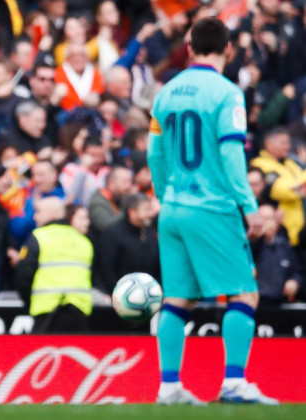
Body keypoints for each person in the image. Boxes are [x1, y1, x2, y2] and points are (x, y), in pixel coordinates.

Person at [147, 18, 278, 405]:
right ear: (229, 50)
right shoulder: (227, 93)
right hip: (213, 207)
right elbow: (230, 153)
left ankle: (169, 386)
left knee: (177, 299)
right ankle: (234, 382)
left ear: (189, 48)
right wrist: (249, 207)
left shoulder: (165, 93)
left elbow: (154, 153)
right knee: (243, 295)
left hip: (172, 207)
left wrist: (164, 194)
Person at [13, 196, 93, 333]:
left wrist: (30, 303)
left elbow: (23, 276)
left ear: (52, 213)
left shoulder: (38, 237)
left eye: (38, 212)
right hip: (80, 314)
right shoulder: (84, 241)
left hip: (46, 313)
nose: (35, 217)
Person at [97, 193, 160, 296]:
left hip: (149, 295)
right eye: (146, 209)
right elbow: (106, 269)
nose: (150, 214)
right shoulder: (113, 234)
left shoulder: (151, 233)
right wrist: (117, 293)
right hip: (122, 297)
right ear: (132, 212)